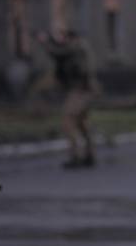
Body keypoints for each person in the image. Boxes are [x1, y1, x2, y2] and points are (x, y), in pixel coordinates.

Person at [37, 30, 98, 169]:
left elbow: (58, 53)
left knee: (68, 120)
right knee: (81, 123)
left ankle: (75, 156)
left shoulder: (77, 47)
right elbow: (60, 53)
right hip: (85, 91)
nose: (64, 41)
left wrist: (45, 42)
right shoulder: (79, 47)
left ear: (72, 38)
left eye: (65, 38)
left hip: (81, 91)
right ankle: (89, 154)